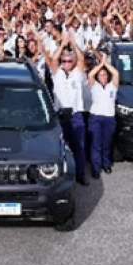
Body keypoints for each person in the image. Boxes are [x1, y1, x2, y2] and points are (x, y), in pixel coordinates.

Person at [47, 34, 89, 184]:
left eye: (69, 61)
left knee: (79, 146)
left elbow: (81, 58)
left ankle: (80, 175)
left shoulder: (78, 74)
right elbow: (53, 60)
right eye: (64, 61)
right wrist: (63, 44)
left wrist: (73, 43)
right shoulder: (57, 73)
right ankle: (62, 176)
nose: (66, 63)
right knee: (60, 147)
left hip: (76, 115)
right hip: (61, 115)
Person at [86, 51, 119, 178]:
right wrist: (101, 64)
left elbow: (116, 74)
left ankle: (106, 164)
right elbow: (90, 74)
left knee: (107, 143)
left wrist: (105, 63)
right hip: (96, 117)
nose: (103, 77)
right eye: (100, 75)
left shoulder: (112, 86)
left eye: (105, 74)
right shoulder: (94, 86)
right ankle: (96, 168)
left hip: (109, 118)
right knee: (96, 144)